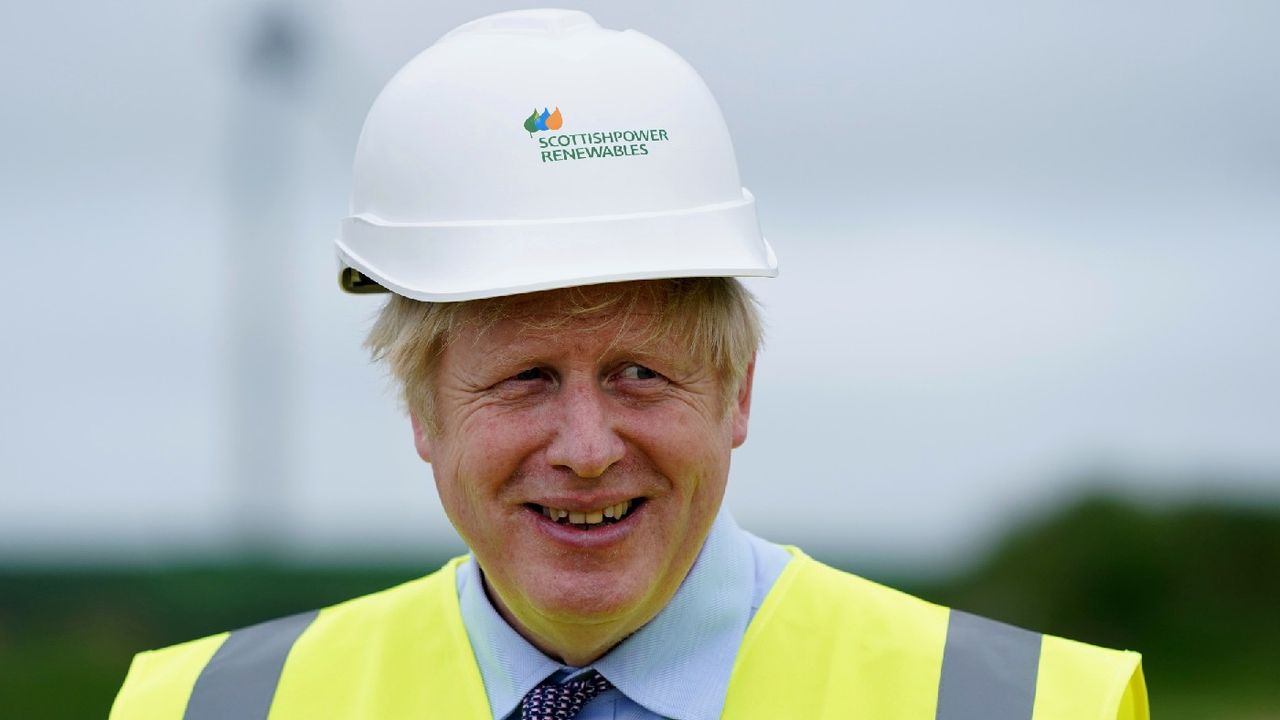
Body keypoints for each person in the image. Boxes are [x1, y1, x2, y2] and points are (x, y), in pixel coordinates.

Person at [111, 9, 1148, 719]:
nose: (587, 449)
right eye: (524, 378)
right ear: (420, 409)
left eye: (640, 375)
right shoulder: (199, 709)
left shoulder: (1029, 707)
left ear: (737, 392)